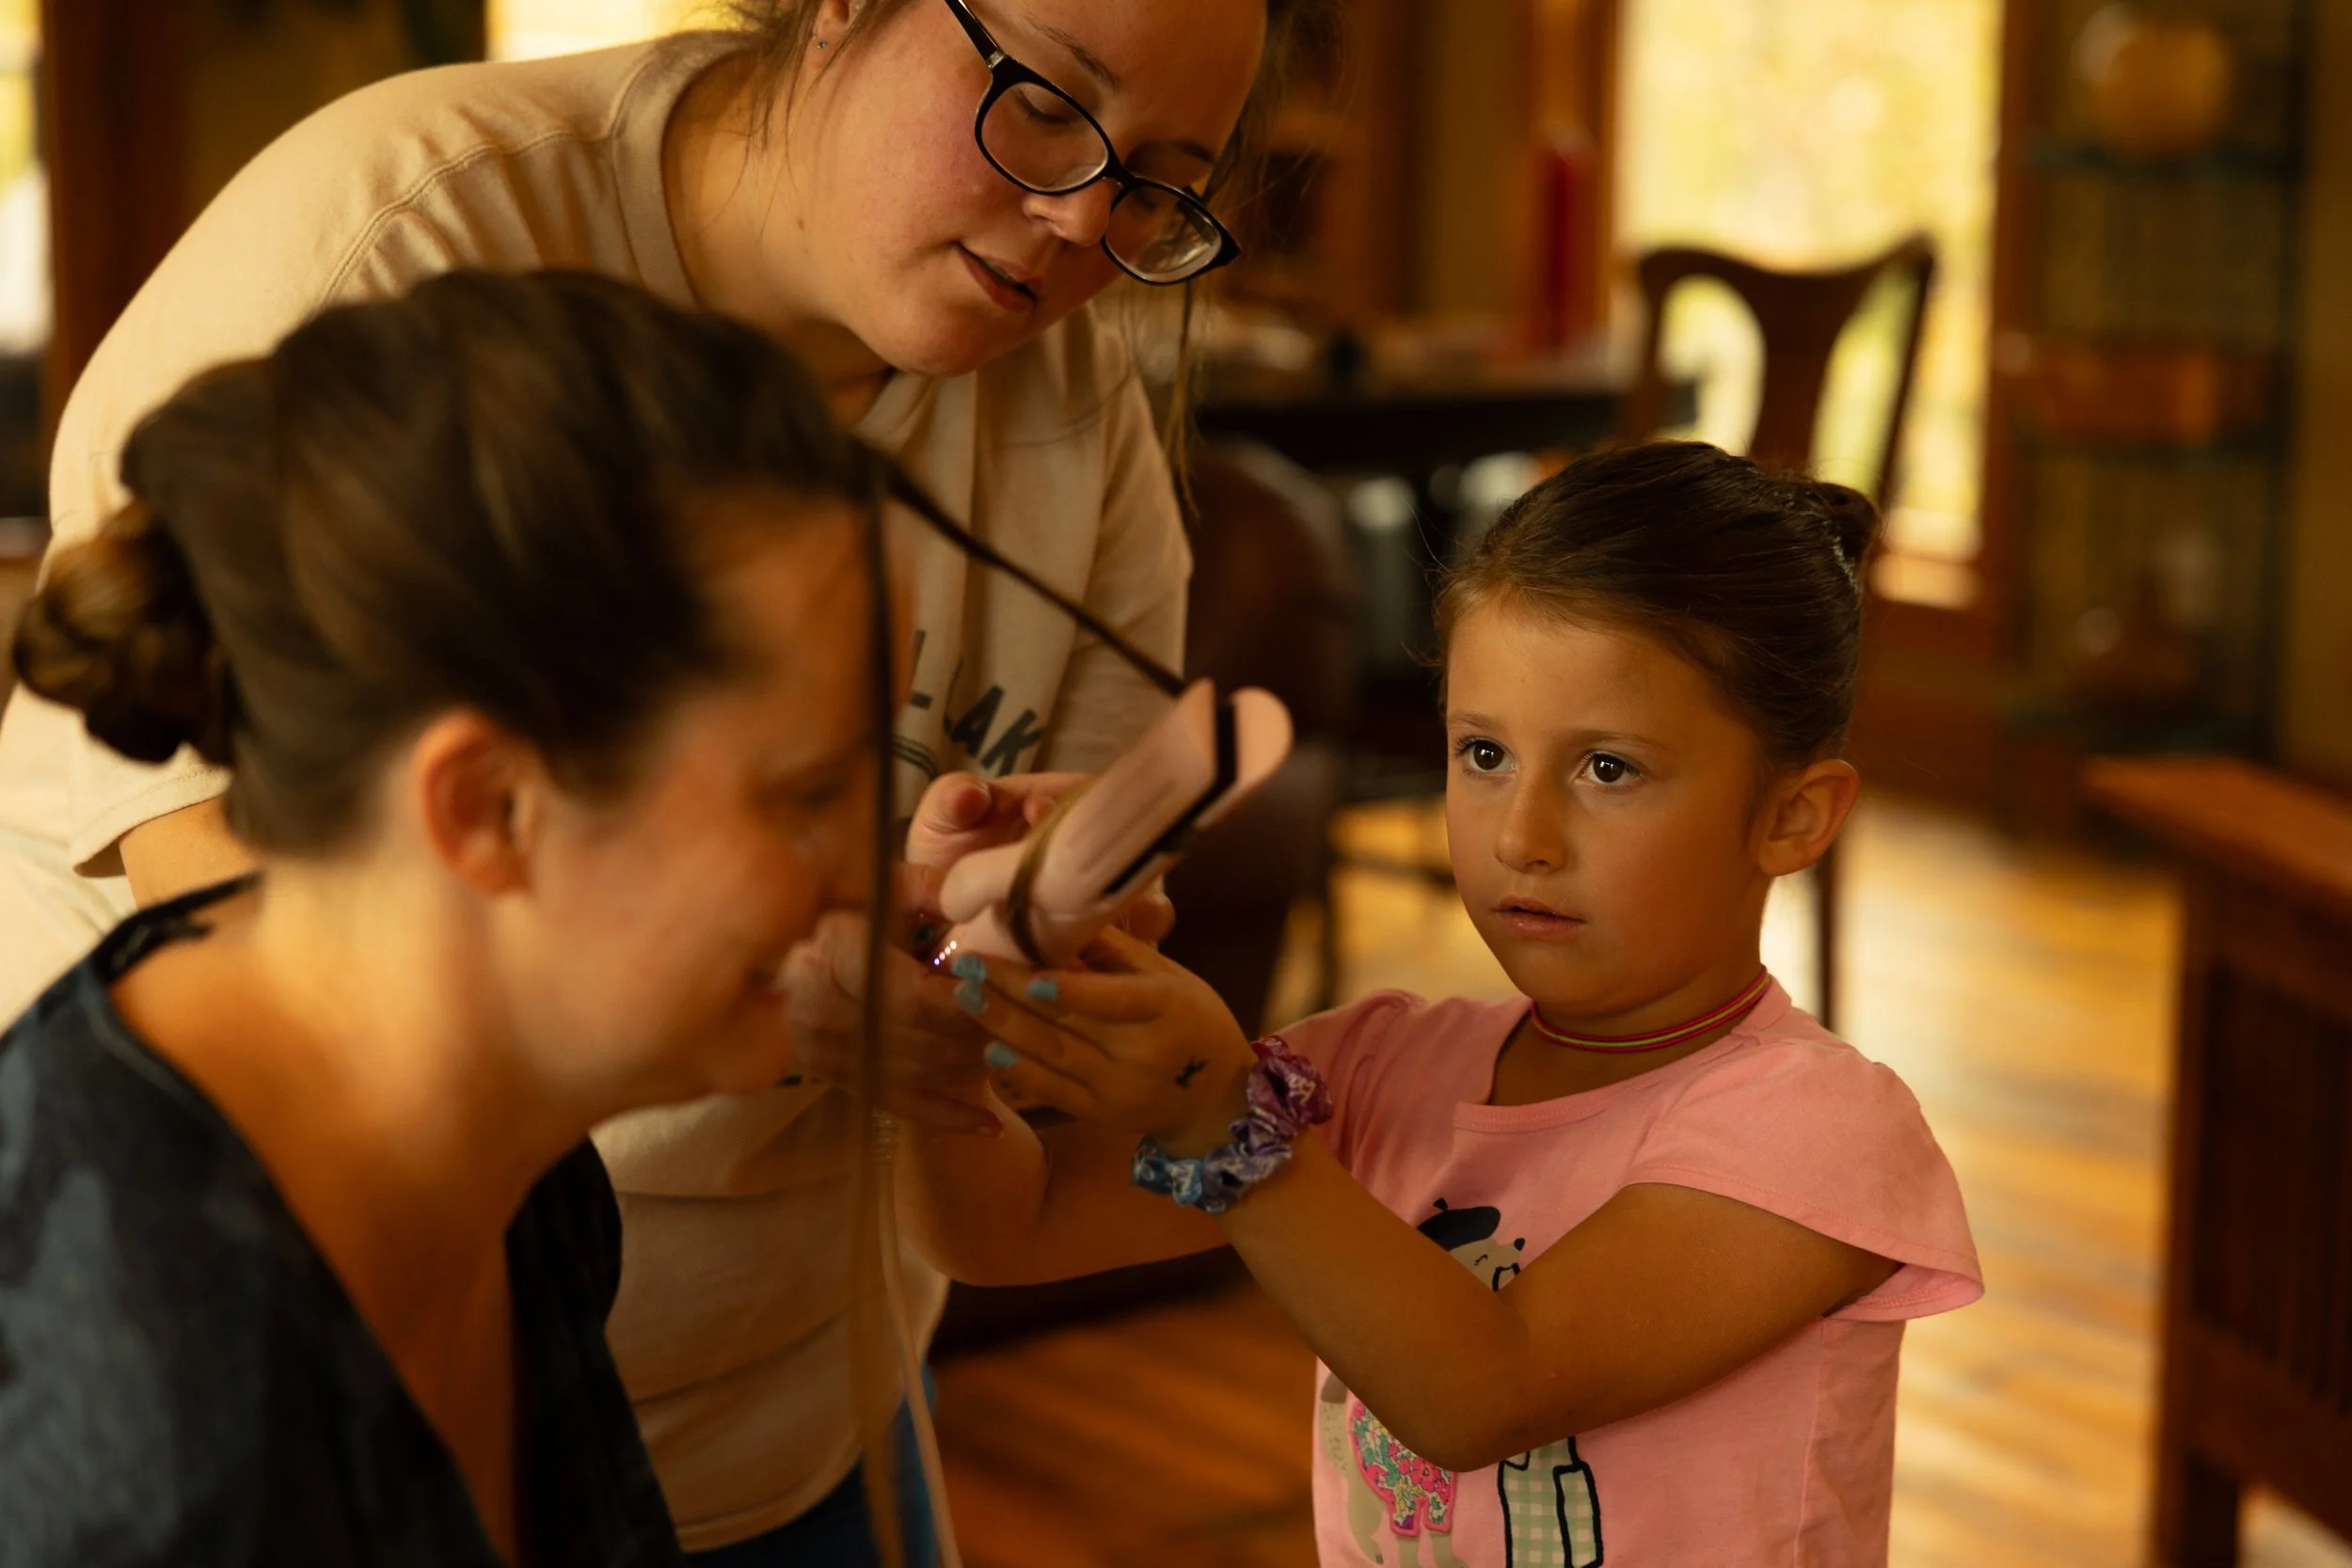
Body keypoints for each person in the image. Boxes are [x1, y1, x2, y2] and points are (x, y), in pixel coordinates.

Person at [0, 0, 1329, 1558]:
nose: (1083, 217)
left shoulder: (537, 1186)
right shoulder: (180, 1421)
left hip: (740, 1375)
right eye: (1042, 99)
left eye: (1166, 179)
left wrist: (992, 942)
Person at [901, 442, 1984, 1566]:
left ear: (1794, 816)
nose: (1522, 835)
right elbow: (1002, 1225)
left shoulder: (1814, 1131)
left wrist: (1218, 1121)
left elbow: (1482, 1389)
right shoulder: (1373, 1068)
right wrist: (933, 1017)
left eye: (1606, 768)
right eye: (1482, 752)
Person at [0, 270, 900, 1564]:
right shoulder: (159, 1416)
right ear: (485, 807)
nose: (875, 865)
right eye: (809, 789)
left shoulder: (508, 1140)